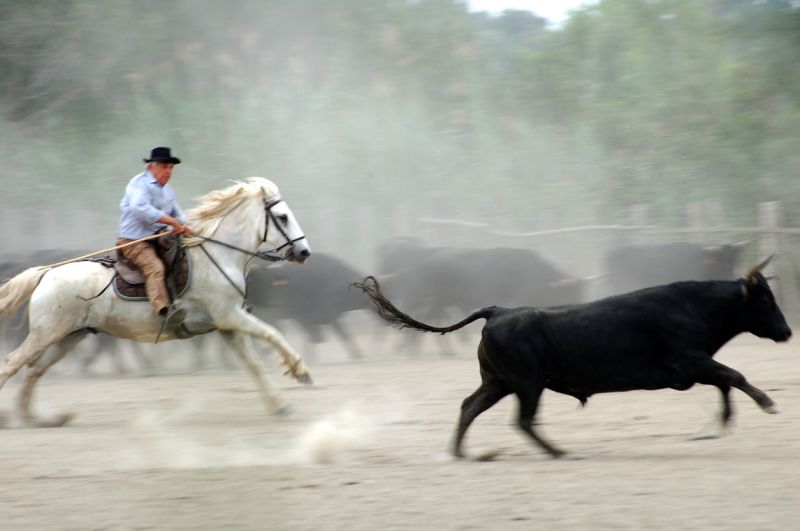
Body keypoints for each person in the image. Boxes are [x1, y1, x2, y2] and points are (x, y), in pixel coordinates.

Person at [116, 146, 192, 327]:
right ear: (152, 166)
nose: (169, 171)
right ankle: (163, 310)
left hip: (156, 239)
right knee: (155, 268)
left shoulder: (167, 189)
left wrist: (185, 224)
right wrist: (172, 222)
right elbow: (140, 208)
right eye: (165, 167)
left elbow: (176, 210)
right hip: (133, 241)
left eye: (171, 168)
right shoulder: (138, 184)